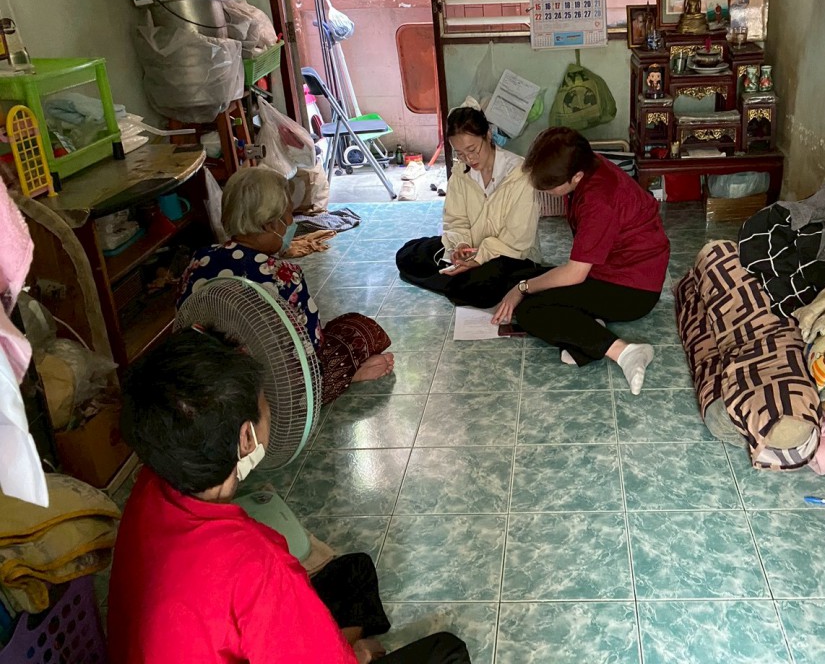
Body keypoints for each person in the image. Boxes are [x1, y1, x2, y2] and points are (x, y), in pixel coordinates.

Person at [109, 330, 471, 664]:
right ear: (246, 438)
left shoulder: (150, 484)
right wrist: (353, 655)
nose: (270, 408)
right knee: (446, 651)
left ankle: (338, 640)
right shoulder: (259, 565)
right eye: (265, 401)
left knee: (354, 572)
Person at [177, 167, 393, 404]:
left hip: (208, 387)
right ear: (271, 224)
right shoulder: (283, 275)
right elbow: (313, 346)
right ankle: (349, 376)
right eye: (289, 214)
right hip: (276, 394)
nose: (291, 222)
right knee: (358, 329)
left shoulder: (199, 261)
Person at [491, 128, 670, 395]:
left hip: (633, 290)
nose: (546, 192)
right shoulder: (585, 162)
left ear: (575, 176)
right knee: (527, 277)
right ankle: (587, 331)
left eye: (550, 187)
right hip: (611, 271)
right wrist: (525, 284)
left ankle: (625, 352)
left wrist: (522, 288)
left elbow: (575, 274)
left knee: (530, 309)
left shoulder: (600, 200)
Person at [396, 107, 543, 308]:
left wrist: (479, 258)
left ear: (487, 135)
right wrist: (460, 246)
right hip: (473, 250)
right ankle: (458, 277)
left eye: (472, 150)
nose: (469, 159)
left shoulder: (519, 174)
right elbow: (456, 220)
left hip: (509, 255)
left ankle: (459, 279)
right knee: (407, 255)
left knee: (478, 287)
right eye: (460, 153)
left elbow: (518, 239)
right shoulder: (461, 172)